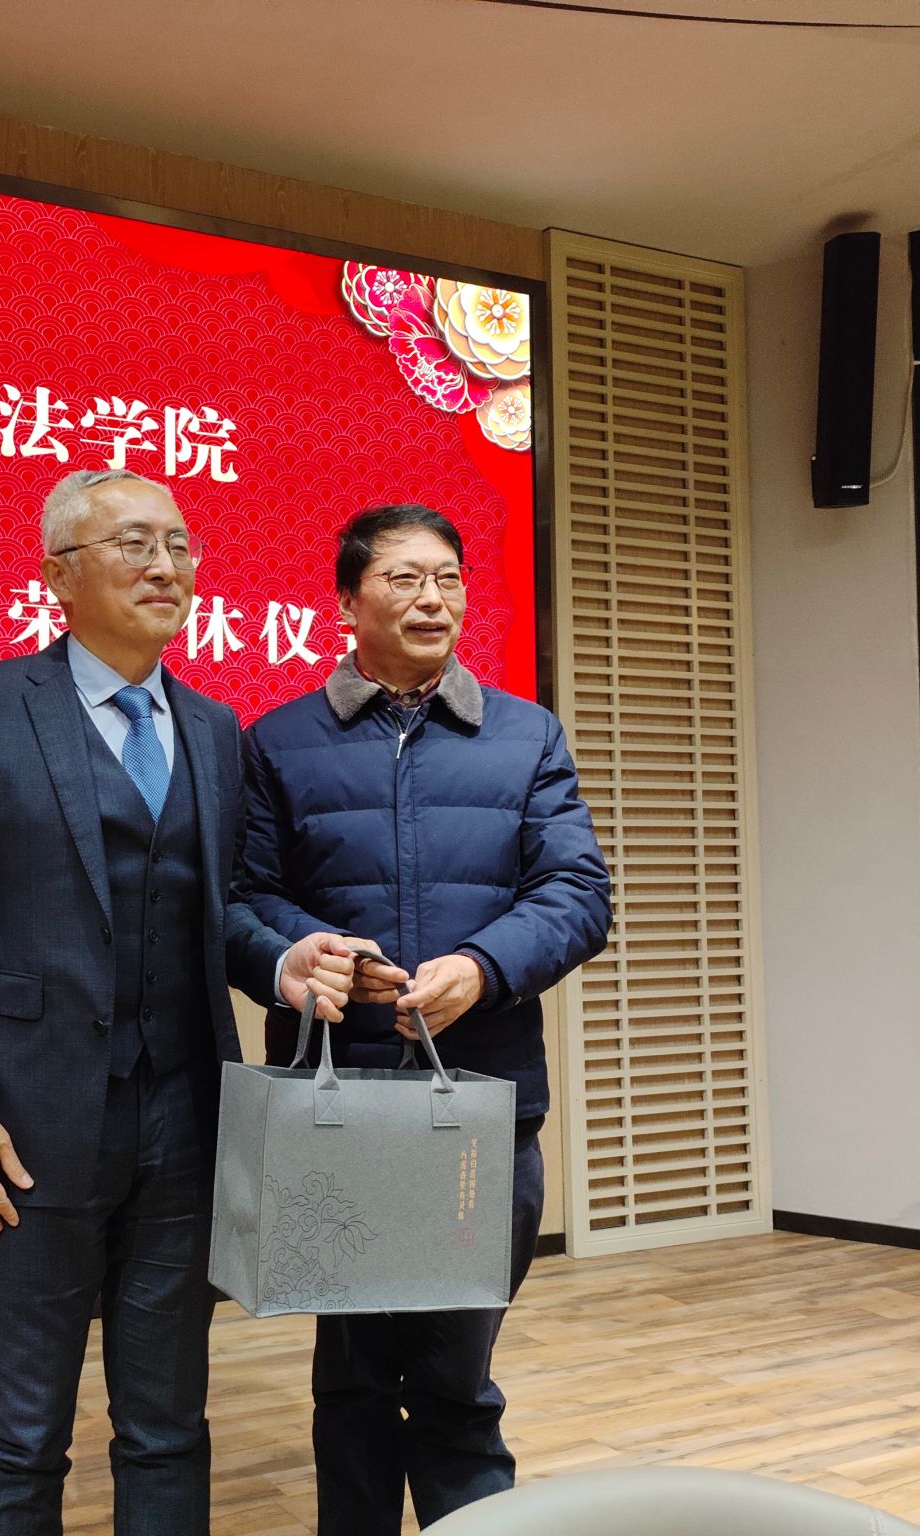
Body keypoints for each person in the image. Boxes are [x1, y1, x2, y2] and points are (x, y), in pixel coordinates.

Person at [0, 467, 345, 1535]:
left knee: (168, 1422)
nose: (164, 565)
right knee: (23, 1428)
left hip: (183, 1123)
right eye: (133, 543)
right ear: (58, 576)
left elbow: (215, 912)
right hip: (26, 1125)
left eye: (178, 544)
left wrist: (283, 964)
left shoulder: (215, 728)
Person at [229, 502, 612, 1533]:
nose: (432, 598)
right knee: (352, 1377)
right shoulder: (277, 743)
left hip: (479, 1107)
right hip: (336, 1102)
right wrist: (308, 952)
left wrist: (482, 968)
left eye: (447, 577)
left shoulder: (525, 736)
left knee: (456, 1378)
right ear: (346, 602)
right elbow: (240, 901)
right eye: (402, 578)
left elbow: (578, 894)